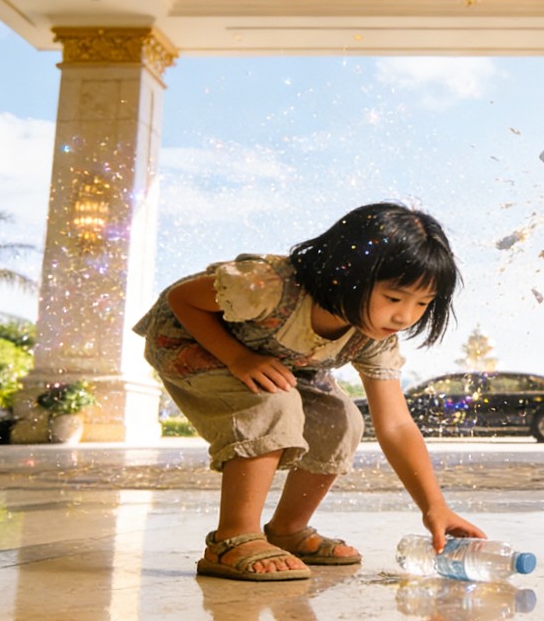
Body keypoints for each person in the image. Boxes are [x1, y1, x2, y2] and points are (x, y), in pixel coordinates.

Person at [133, 202, 484, 581]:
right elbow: (182, 299)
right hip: (197, 342)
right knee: (271, 403)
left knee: (341, 420)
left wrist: (434, 507)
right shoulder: (267, 286)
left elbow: (396, 424)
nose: (405, 317)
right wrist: (238, 357)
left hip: (279, 362)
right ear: (346, 273)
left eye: (423, 303)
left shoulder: (374, 335)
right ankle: (232, 538)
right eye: (394, 298)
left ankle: (288, 529)